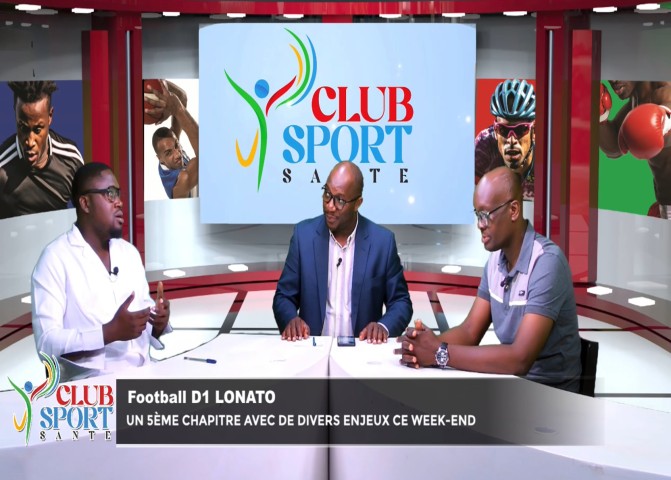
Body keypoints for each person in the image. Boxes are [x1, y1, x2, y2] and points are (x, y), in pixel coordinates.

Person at [395, 167, 581, 392]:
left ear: (513, 210)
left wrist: (439, 352)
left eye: (485, 214)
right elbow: (469, 331)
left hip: (552, 396)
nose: (480, 224)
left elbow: (519, 358)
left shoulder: (546, 262)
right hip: (511, 388)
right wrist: (424, 346)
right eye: (477, 215)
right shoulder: (495, 261)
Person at [31, 162, 171, 380]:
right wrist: (107, 333)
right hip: (92, 388)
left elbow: (142, 322)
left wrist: (158, 322)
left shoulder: (129, 253)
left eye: (118, 194)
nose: (119, 202)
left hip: (144, 375)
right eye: (110, 194)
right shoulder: (54, 259)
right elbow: (46, 344)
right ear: (85, 203)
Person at [273, 161, 413, 343]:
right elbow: (283, 296)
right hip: (312, 349)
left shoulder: (382, 243)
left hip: (361, 352)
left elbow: (401, 302)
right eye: (327, 194)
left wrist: (383, 327)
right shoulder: (303, 236)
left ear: (357, 203)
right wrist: (291, 320)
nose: (330, 206)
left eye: (340, 200)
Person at [0, 81, 84, 218]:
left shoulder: (71, 160)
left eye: (37, 129)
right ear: (15, 113)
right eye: (23, 128)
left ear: (50, 116)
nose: (30, 141)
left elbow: (86, 219)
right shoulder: (2, 169)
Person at [599, 80, 671, 219]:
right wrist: (600, 116)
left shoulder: (664, 90)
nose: (613, 80)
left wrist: (666, 120)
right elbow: (614, 147)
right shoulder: (638, 98)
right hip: (665, 205)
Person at [475, 79, 535, 200]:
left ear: (534, 132)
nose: (511, 140)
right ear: (495, 131)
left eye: (520, 129)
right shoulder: (483, 145)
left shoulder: (550, 153)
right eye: (503, 130)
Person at [146, 80, 199, 199]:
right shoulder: (181, 181)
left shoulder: (168, 152)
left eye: (176, 145)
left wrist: (160, 84)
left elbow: (182, 97)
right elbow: (208, 158)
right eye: (169, 153)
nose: (177, 154)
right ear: (160, 159)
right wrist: (177, 109)